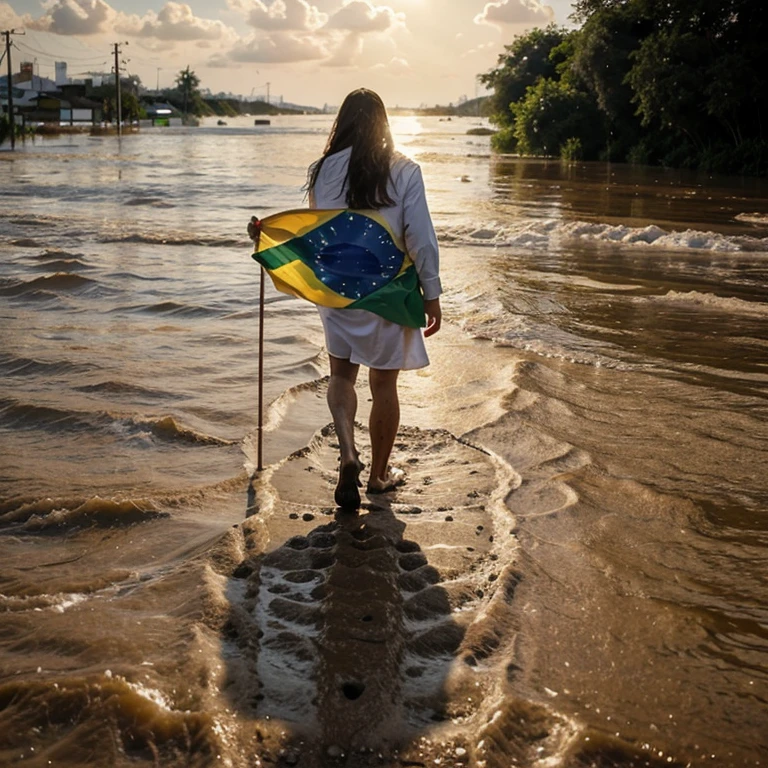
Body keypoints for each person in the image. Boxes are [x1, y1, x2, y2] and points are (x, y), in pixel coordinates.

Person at [306, 88, 442, 510]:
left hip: (336, 288)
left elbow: (317, 230)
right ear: (384, 124)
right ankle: (379, 477)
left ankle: (348, 452)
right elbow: (420, 238)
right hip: (385, 290)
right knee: (383, 382)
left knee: (341, 376)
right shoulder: (403, 170)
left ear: (341, 123)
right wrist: (432, 294)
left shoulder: (322, 169)